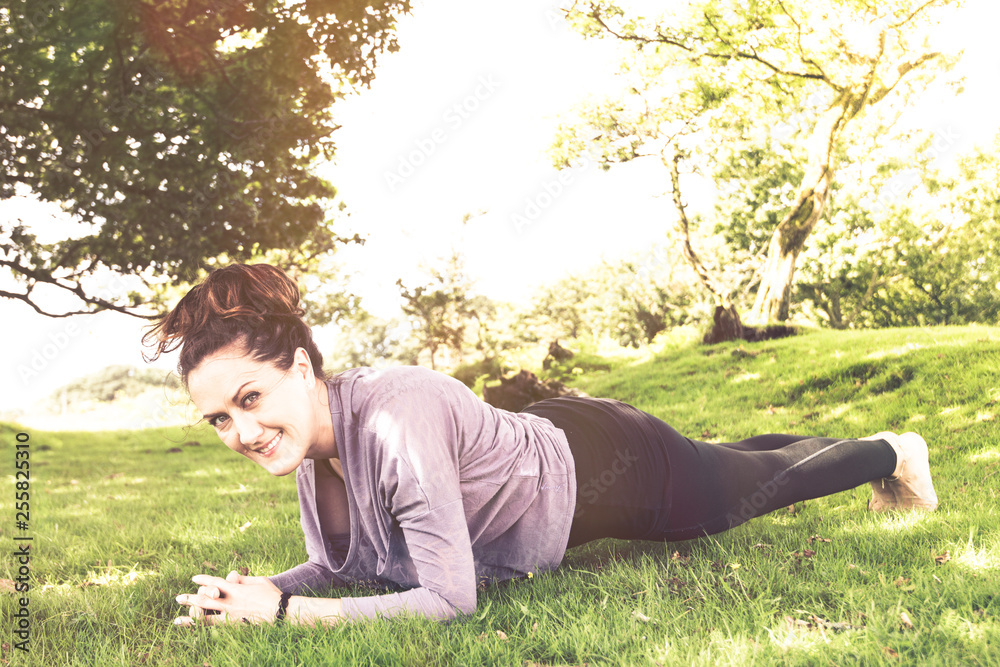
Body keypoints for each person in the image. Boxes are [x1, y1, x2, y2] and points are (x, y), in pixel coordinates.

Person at [144, 264, 938, 628]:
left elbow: (450, 601)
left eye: (249, 398)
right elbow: (348, 565)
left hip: (606, 467)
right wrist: (253, 590)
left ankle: (893, 449)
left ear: (305, 367)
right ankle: (848, 448)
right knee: (731, 459)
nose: (242, 433)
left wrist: (284, 614)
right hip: (554, 430)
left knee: (742, 488)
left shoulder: (394, 416)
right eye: (218, 418)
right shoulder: (319, 455)